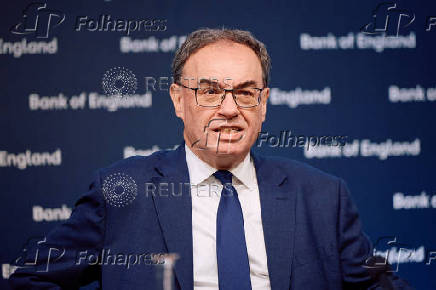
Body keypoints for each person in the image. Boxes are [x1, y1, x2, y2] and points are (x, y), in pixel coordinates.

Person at [10, 28, 411, 290]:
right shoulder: (123, 190)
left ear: (264, 104)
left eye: (245, 92)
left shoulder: (323, 197)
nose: (229, 108)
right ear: (178, 100)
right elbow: (31, 281)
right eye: (209, 91)